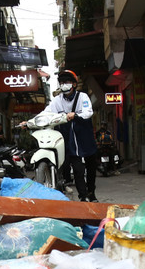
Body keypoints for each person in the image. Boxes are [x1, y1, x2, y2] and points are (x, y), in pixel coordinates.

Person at [24, 69, 98, 202]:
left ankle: (91, 192)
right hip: (69, 141)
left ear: (74, 84)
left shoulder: (82, 97)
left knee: (91, 167)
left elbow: (88, 112)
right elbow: (45, 113)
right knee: (77, 169)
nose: (64, 85)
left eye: (67, 82)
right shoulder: (57, 101)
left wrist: (75, 115)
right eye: (62, 82)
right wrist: (29, 122)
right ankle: (83, 196)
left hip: (84, 139)